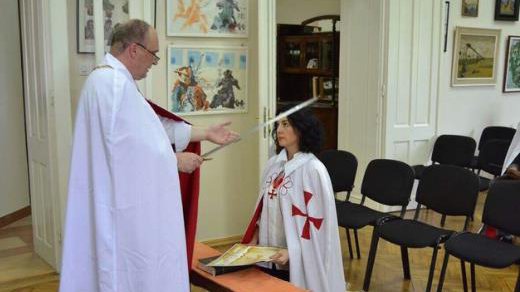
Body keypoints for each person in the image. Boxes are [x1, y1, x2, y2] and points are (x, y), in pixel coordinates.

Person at [59, 19, 238, 292]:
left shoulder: (111, 81)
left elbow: (150, 130)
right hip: (124, 208)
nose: (155, 61)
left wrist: (205, 132)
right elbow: (125, 152)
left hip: (118, 199)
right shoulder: (112, 85)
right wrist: (175, 161)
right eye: (153, 53)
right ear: (133, 49)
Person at [241, 107, 346, 292]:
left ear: (301, 128)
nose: (279, 130)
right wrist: (255, 237)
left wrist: (293, 252)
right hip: (268, 255)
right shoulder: (273, 165)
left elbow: (318, 227)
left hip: (295, 261)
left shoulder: (313, 170)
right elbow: (263, 207)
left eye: (285, 124)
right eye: (278, 124)